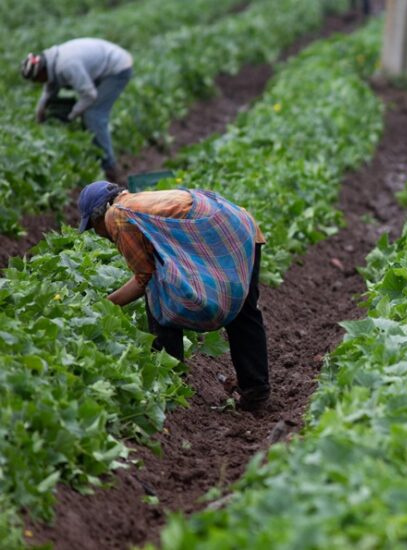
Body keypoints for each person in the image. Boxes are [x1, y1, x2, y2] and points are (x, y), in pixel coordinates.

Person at [77, 181, 271, 411]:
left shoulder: (116, 216)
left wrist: (106, 304)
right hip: (241, 226)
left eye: (92, 227)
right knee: (244, 310)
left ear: (99, 214)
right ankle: (256, 392)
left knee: (159, 298)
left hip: (220, 234)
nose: (98, 234)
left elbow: (144, 278)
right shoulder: (137, 201)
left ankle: (168, 379)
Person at [20, 38, 132, 184]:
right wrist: (39, 114)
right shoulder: (51, 62)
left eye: (37, 80)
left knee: (93, 115)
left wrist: (71, 115)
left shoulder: (67, 66)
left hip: (118, 68)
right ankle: (97, 156)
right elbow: (49, 90)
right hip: (102, 65)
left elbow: (90, 95)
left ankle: (111, 168)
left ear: (41, 71)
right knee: (84, 112)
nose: (38, 83)